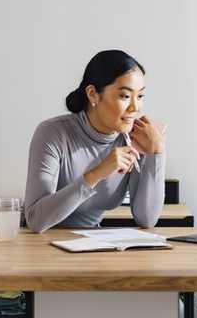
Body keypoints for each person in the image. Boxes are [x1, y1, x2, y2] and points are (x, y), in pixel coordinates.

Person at [23, 49, 166, 232]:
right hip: (43, 245)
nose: (135, 107)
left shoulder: (135, 139)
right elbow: (35, 219)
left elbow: (146, 219)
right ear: (93, 94)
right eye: (125, 96)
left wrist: (157, 152)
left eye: (140, 96)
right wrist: (96, 174)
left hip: (93, 247)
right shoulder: (52, 134)